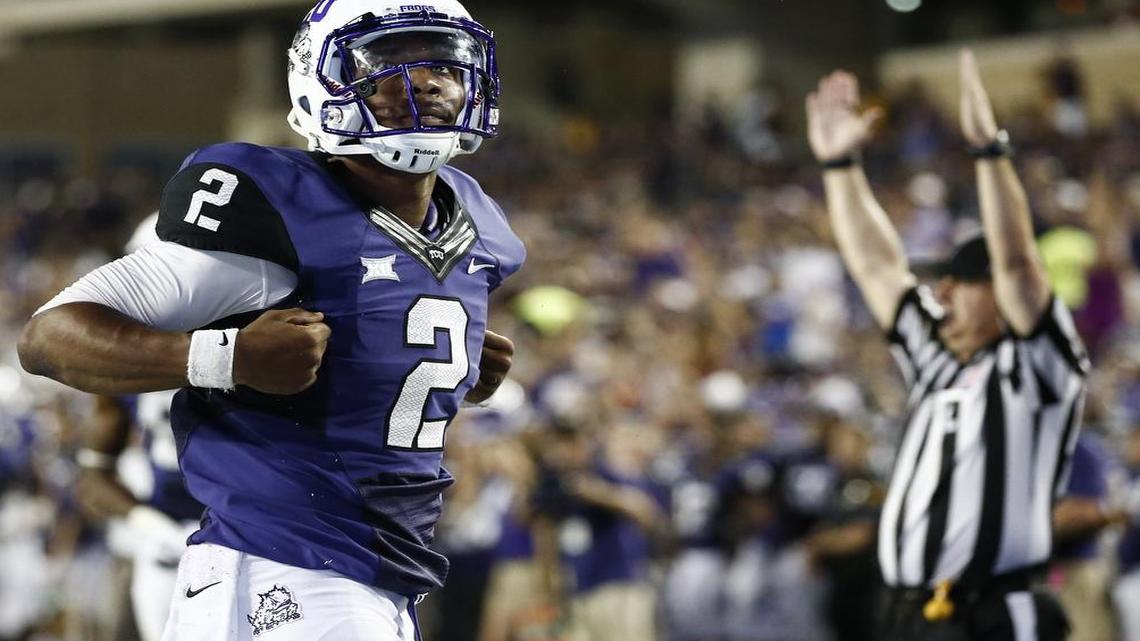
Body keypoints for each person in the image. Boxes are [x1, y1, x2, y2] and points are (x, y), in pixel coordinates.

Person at [17, 0, 525, 639]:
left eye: (444, 65)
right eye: (389, 61)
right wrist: (227, 357)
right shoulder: (273, 201)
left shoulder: (478, 223)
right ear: (323, 78)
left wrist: (456, 374)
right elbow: (48, 335)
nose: (425, 80)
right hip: (281, 563)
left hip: (374, 573)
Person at [806, 49, 1088, 640]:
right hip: (910, 614)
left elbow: (1019, 264)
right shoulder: (936, 358)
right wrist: (839, 167)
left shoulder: (1036, 365)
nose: (945, 291)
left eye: (963, 280)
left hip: (992, 612)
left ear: (1002, 297)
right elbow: (878, 267)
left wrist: (988, 152)